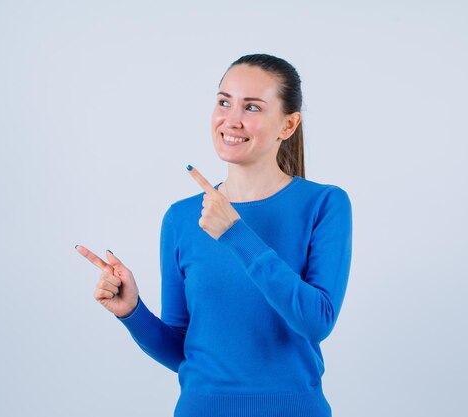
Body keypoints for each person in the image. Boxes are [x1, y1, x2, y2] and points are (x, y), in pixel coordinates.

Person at [76, 53, 353, 417]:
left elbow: (316, 322)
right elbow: (182, 350)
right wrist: (133, 312)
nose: (232, 120)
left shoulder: (324, 204)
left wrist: (236, 233)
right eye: (224, 102)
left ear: (288, 125)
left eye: (252, 107)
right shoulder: (181, 217)